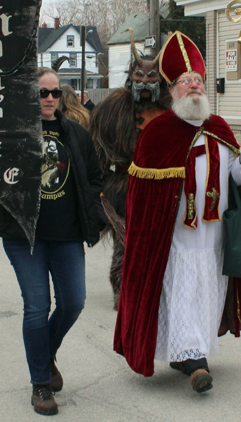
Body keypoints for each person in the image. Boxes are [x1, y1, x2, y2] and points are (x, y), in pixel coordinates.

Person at [114, 31, 241, 393]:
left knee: (207, 292)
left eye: (198, 81)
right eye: (186, 82)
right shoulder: (158, 134)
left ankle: (190, 354)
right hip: (177, 238)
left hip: (213, 237)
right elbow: (144, 199)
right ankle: (195, 361)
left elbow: (235, 179)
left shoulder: (219, 128)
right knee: (182, 291)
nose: (194, 86)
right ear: (173, 91)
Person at [0, 67, 106, 416]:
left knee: (74, 302)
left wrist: (90, 208)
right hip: (24, 237)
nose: (48, 98)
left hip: (67, 236)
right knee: (36, 307)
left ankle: (45, 352)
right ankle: (40, 384)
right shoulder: (13, 134)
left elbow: (94, 177)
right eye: (42, 92)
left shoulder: (75, 133)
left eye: (54, 92)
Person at [89, 31, 172, 308]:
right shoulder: (111, 107)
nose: (145, 82)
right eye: (140, 76)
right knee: (125, 241)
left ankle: (157, 291)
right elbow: (96, 148)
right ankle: (123, 290)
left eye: (151, 77)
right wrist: (100, 189)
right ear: (130, 75)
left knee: (160, 242)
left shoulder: (170, 111)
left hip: (159, 187)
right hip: (121, 186)